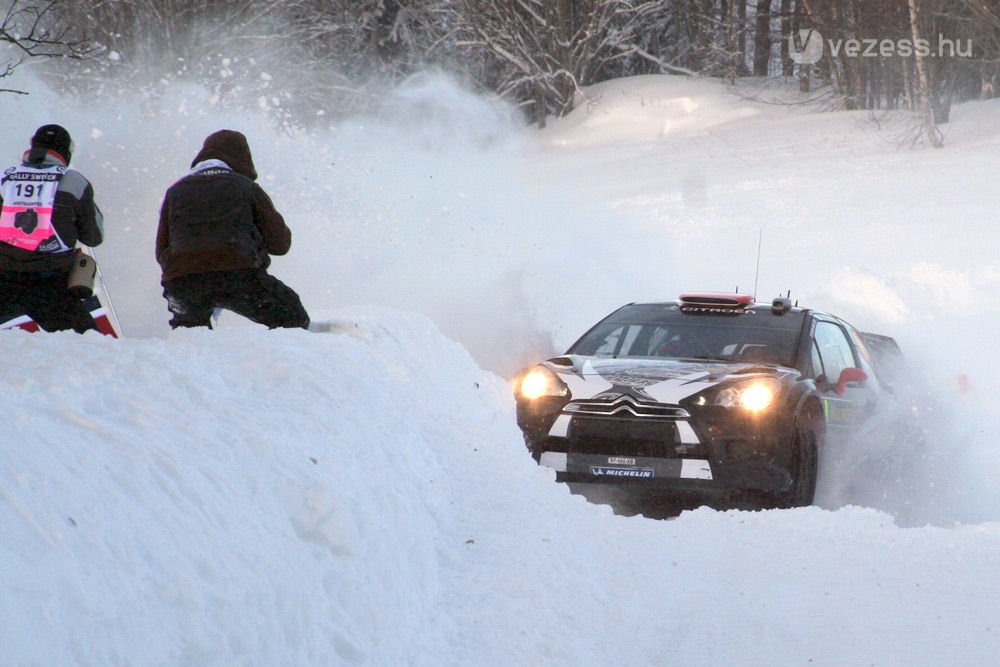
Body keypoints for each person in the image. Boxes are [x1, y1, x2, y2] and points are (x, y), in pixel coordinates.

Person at [155, 129, 309, 330]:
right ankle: (277, 360)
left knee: (190, 337)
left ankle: (192, 356)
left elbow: (162, 250)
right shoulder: (246, 187)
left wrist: (188, 267)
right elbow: (280, 244)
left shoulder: (175, 191)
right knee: (293, 318)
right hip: (238, 276)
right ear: (243, 159)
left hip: (182, 280)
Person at [0, 124, 104, 333]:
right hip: (52, 284)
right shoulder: (74, 181)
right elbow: (93, 237)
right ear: (65, 152)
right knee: (90, 347)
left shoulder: (5, 178)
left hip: (4, 277)